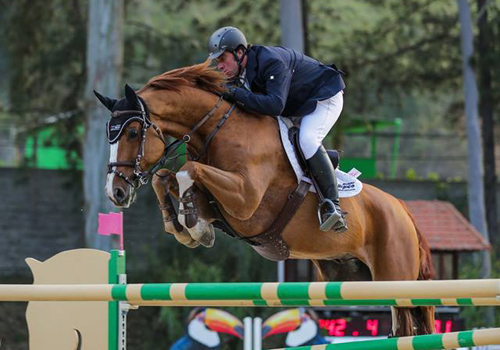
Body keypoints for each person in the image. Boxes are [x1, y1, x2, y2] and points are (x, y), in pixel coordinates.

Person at [207, 26, 347, 233]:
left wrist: (233, 93)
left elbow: (274, 105)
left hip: (324, 97)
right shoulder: (239, 73)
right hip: (297, 104)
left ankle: (332, 206)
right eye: (217, 61)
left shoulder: (270, 61)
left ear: (239, 52)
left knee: (307, 140)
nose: (219, 66)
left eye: (222, 59)